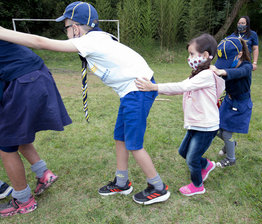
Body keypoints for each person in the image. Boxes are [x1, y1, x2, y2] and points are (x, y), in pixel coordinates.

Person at [0, 1, 170, 205]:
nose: (66, 32)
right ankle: (122, 182)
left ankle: (158, 187)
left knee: (134, 143)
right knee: (120, 137)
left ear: (76, 27)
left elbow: (40, 42)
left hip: (138, 91)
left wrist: (2, 32)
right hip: (131, 92)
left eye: (66, 27)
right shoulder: (99, 37)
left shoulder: (90, 41)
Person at [135, 34, 225, 196]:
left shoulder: (205, 75)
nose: (189, 58)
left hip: (206, 126)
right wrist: (155, 90)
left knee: (191, 158)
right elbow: (179, 88)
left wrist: (154, 87)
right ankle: (207, 165)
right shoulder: (198, 74)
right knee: (183, 152)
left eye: (192, 54)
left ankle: (198, 186)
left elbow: (182, 86)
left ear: (205, 55)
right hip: (195, 124)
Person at [0, 40, 72, 217]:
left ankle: (23, 200)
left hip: (22, 81)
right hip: (39, 73)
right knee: (18, 135)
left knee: (5, 144)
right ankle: (43, 173)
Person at [210, 36, 253, 168]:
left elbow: (238, 72)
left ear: (239, 54)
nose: (225, 65)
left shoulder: (247, 66)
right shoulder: (226, 65)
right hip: (227, 101)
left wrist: (221, 71)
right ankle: (231, 144)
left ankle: (231, 158)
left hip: (239, 105)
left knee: (227, 132)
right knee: (214, 128)